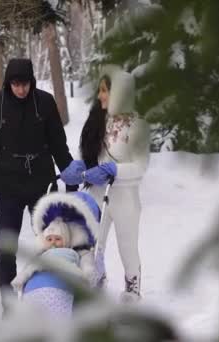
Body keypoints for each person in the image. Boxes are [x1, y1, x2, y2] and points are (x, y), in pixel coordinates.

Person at [0, 58, 78, 313]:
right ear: (9, 83)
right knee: (8, 248)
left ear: (31, 82)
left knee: (51, 242)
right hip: (9, 184)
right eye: (15, 84)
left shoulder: (44, 103)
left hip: (41, 182)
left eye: (24, 84)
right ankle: (9, 306)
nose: (20, 89)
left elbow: (58, 143)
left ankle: (50, 296)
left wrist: (70, 175)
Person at [60, 65, 150, 302]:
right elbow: (89, 157)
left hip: (125, 198)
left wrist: (114, 170)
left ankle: (132, 291)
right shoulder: (96, 121)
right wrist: (79, 167)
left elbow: (140, 167)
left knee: (126, 246)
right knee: (91, 243)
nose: (100, 96)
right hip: (97, 194)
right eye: (100, 90)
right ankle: (95, 283)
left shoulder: (138, 126)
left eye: (104, 91)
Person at [11, 191, 103, 317]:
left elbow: (87, 263)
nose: (53, 242)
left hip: (61, 287)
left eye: (58, 239)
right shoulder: (42, 253)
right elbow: (29, 268)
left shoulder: (75, 252)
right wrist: (20, 279)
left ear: (65, 240)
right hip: (35, 288)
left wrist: (88, 273)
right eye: (49, 239)